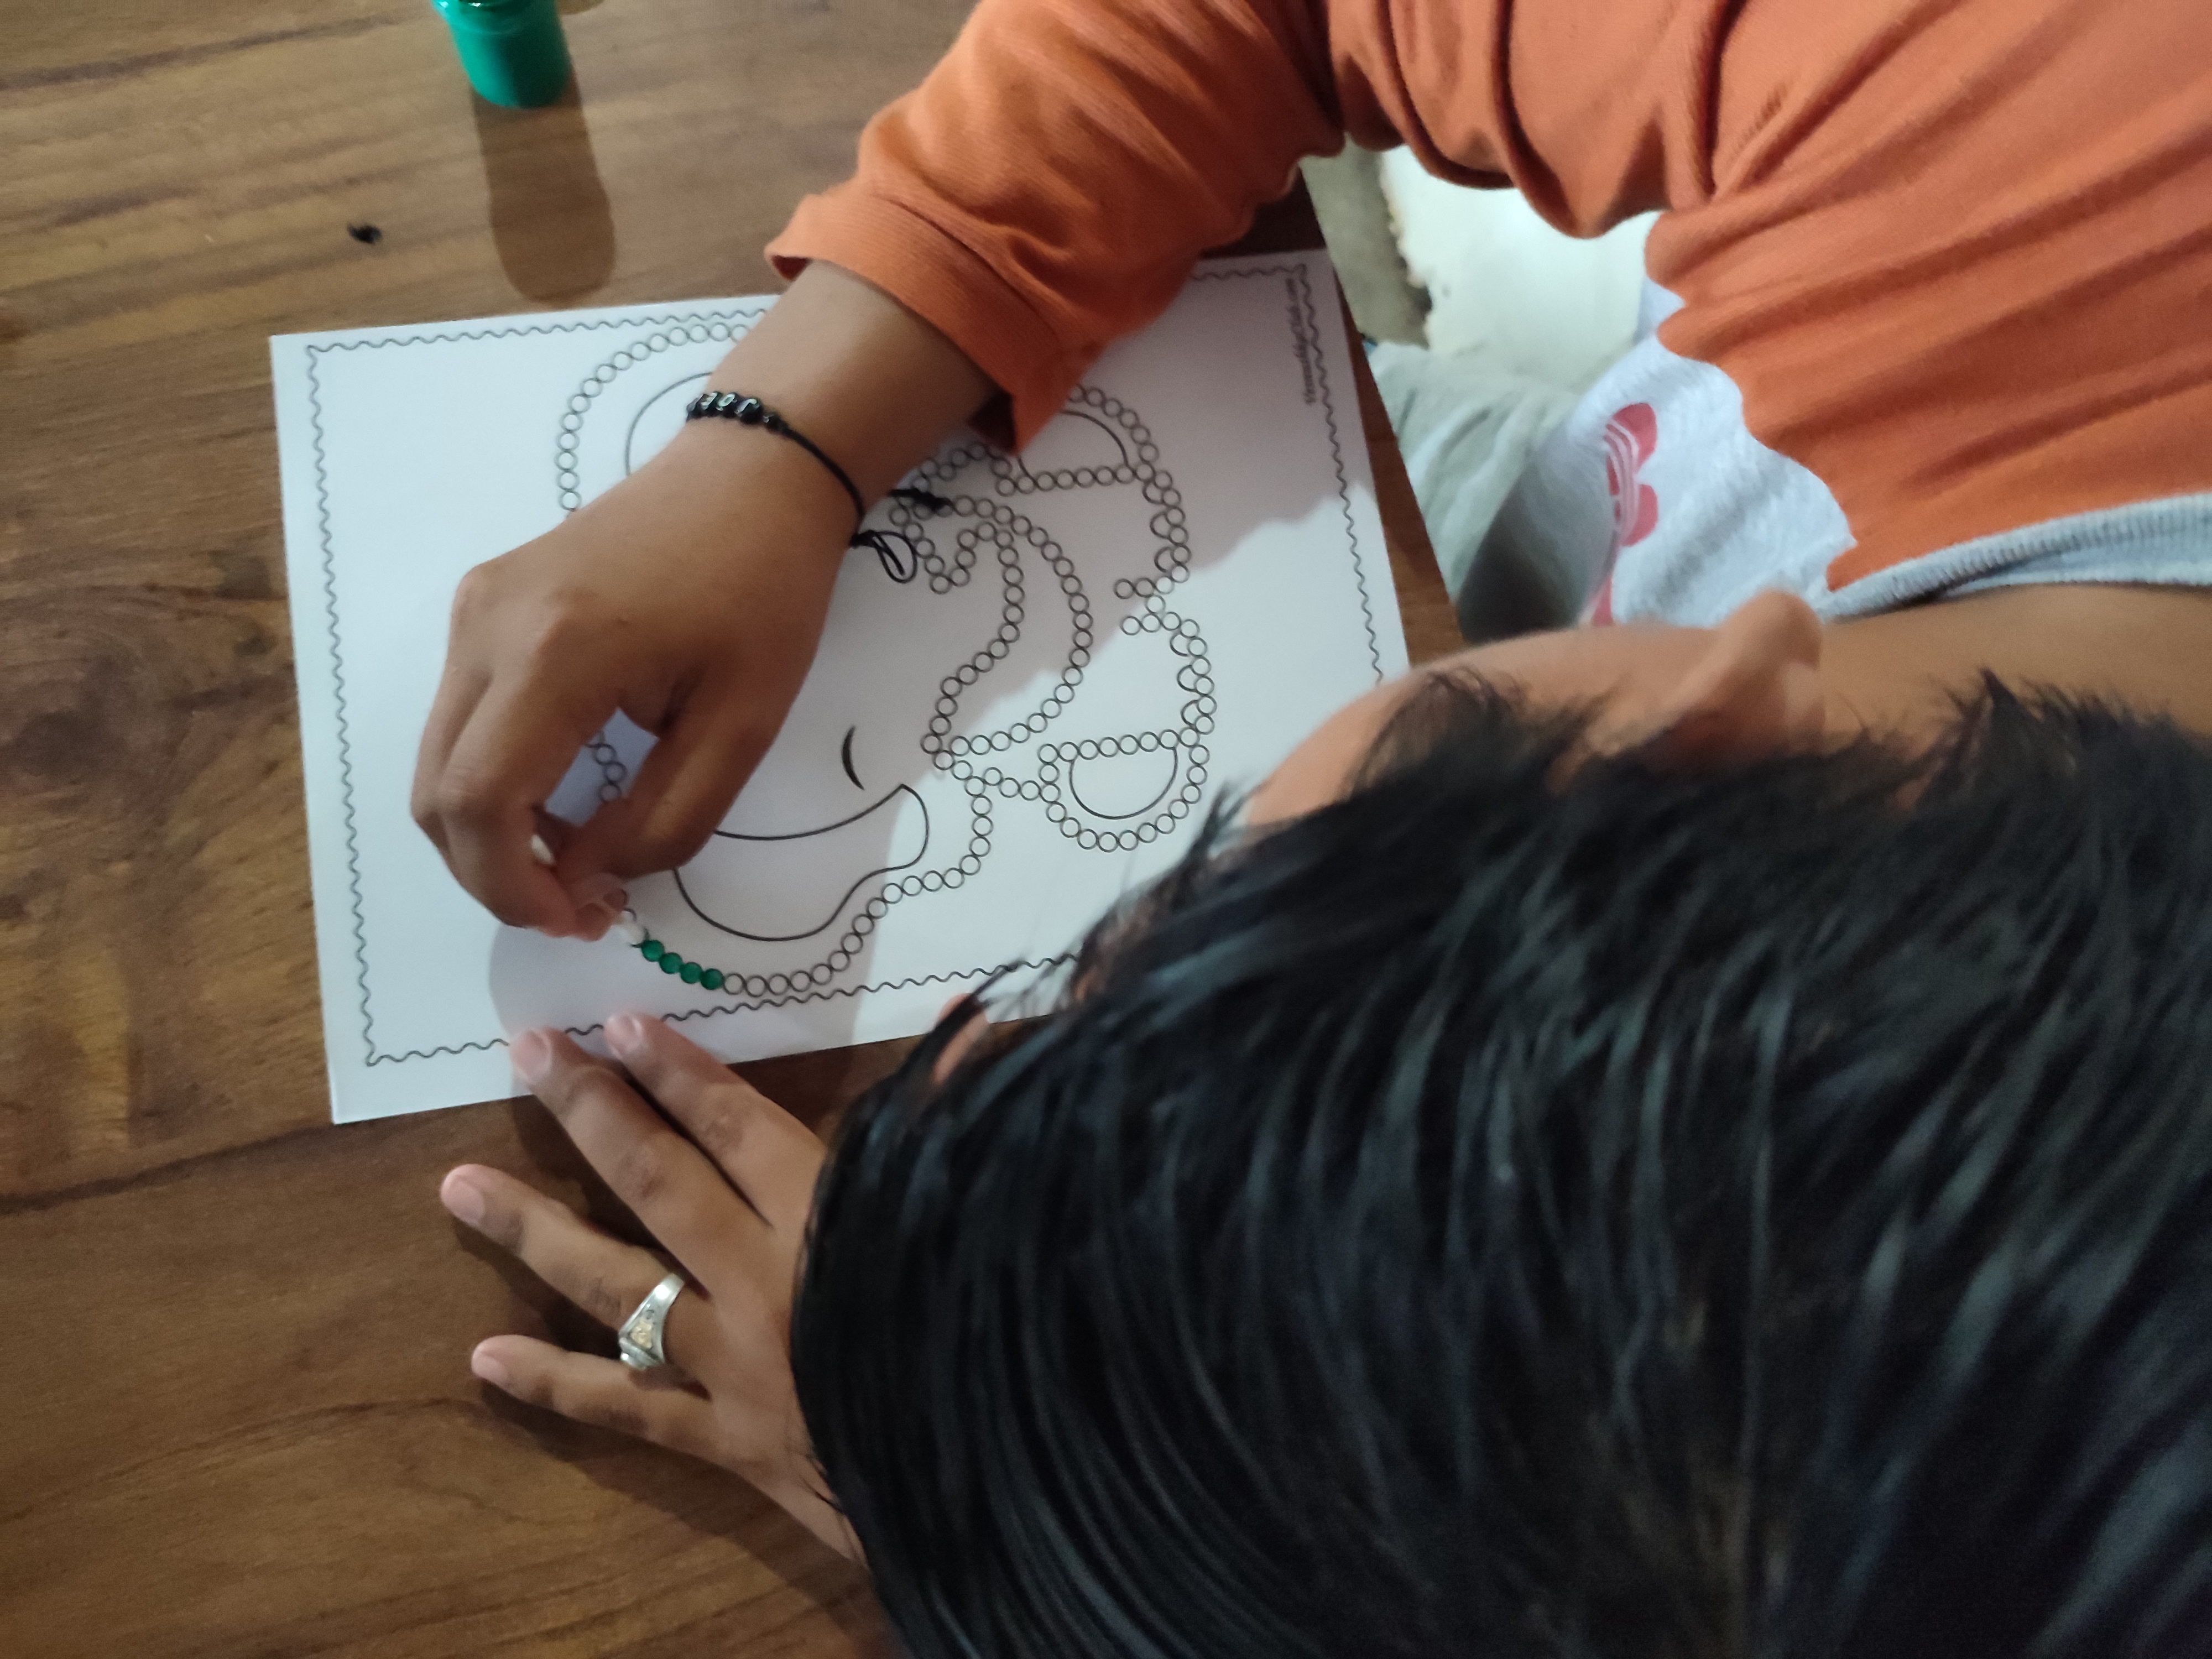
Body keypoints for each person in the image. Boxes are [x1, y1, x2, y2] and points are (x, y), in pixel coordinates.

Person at [419, 0, 2212, 1646]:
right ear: (1700, 754)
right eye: (1152, 938)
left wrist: (1008, 1492)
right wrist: (784, 436)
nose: (1005, 994)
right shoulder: (2042, 85)